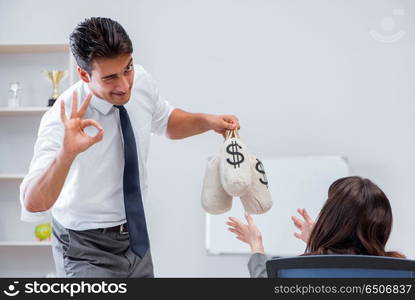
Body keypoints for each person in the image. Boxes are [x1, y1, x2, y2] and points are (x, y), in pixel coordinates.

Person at [19, 17, 240, 278]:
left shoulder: (141, 81)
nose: (124, 85)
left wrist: (206, 121)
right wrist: (65, 155)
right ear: (83, 74)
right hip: (85, 246)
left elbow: (166, 121)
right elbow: (33, 202)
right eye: (110, 77)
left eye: (128, 68)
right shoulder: (62, 118)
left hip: (135, 237)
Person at [227, 176, 405, 277]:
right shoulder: (399, 271)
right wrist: (319, 244)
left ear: (330, 220)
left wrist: (256, 245)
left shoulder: (293, 271)